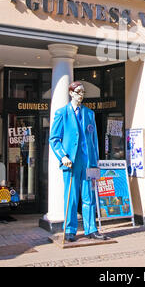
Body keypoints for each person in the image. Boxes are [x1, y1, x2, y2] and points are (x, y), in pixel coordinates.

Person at [49, 81, 105, 242]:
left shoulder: (89, 113)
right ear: (71, 93)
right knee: (71, 197)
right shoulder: (62, 113)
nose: (81, 95)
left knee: (89, 197)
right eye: (78, 91)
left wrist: (95, 161)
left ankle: (91, 229)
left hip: (88, 162)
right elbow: (54, 139)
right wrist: (63, 156)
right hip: (71, 162)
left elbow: (93, 139)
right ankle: (70, 230)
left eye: (83, 92)